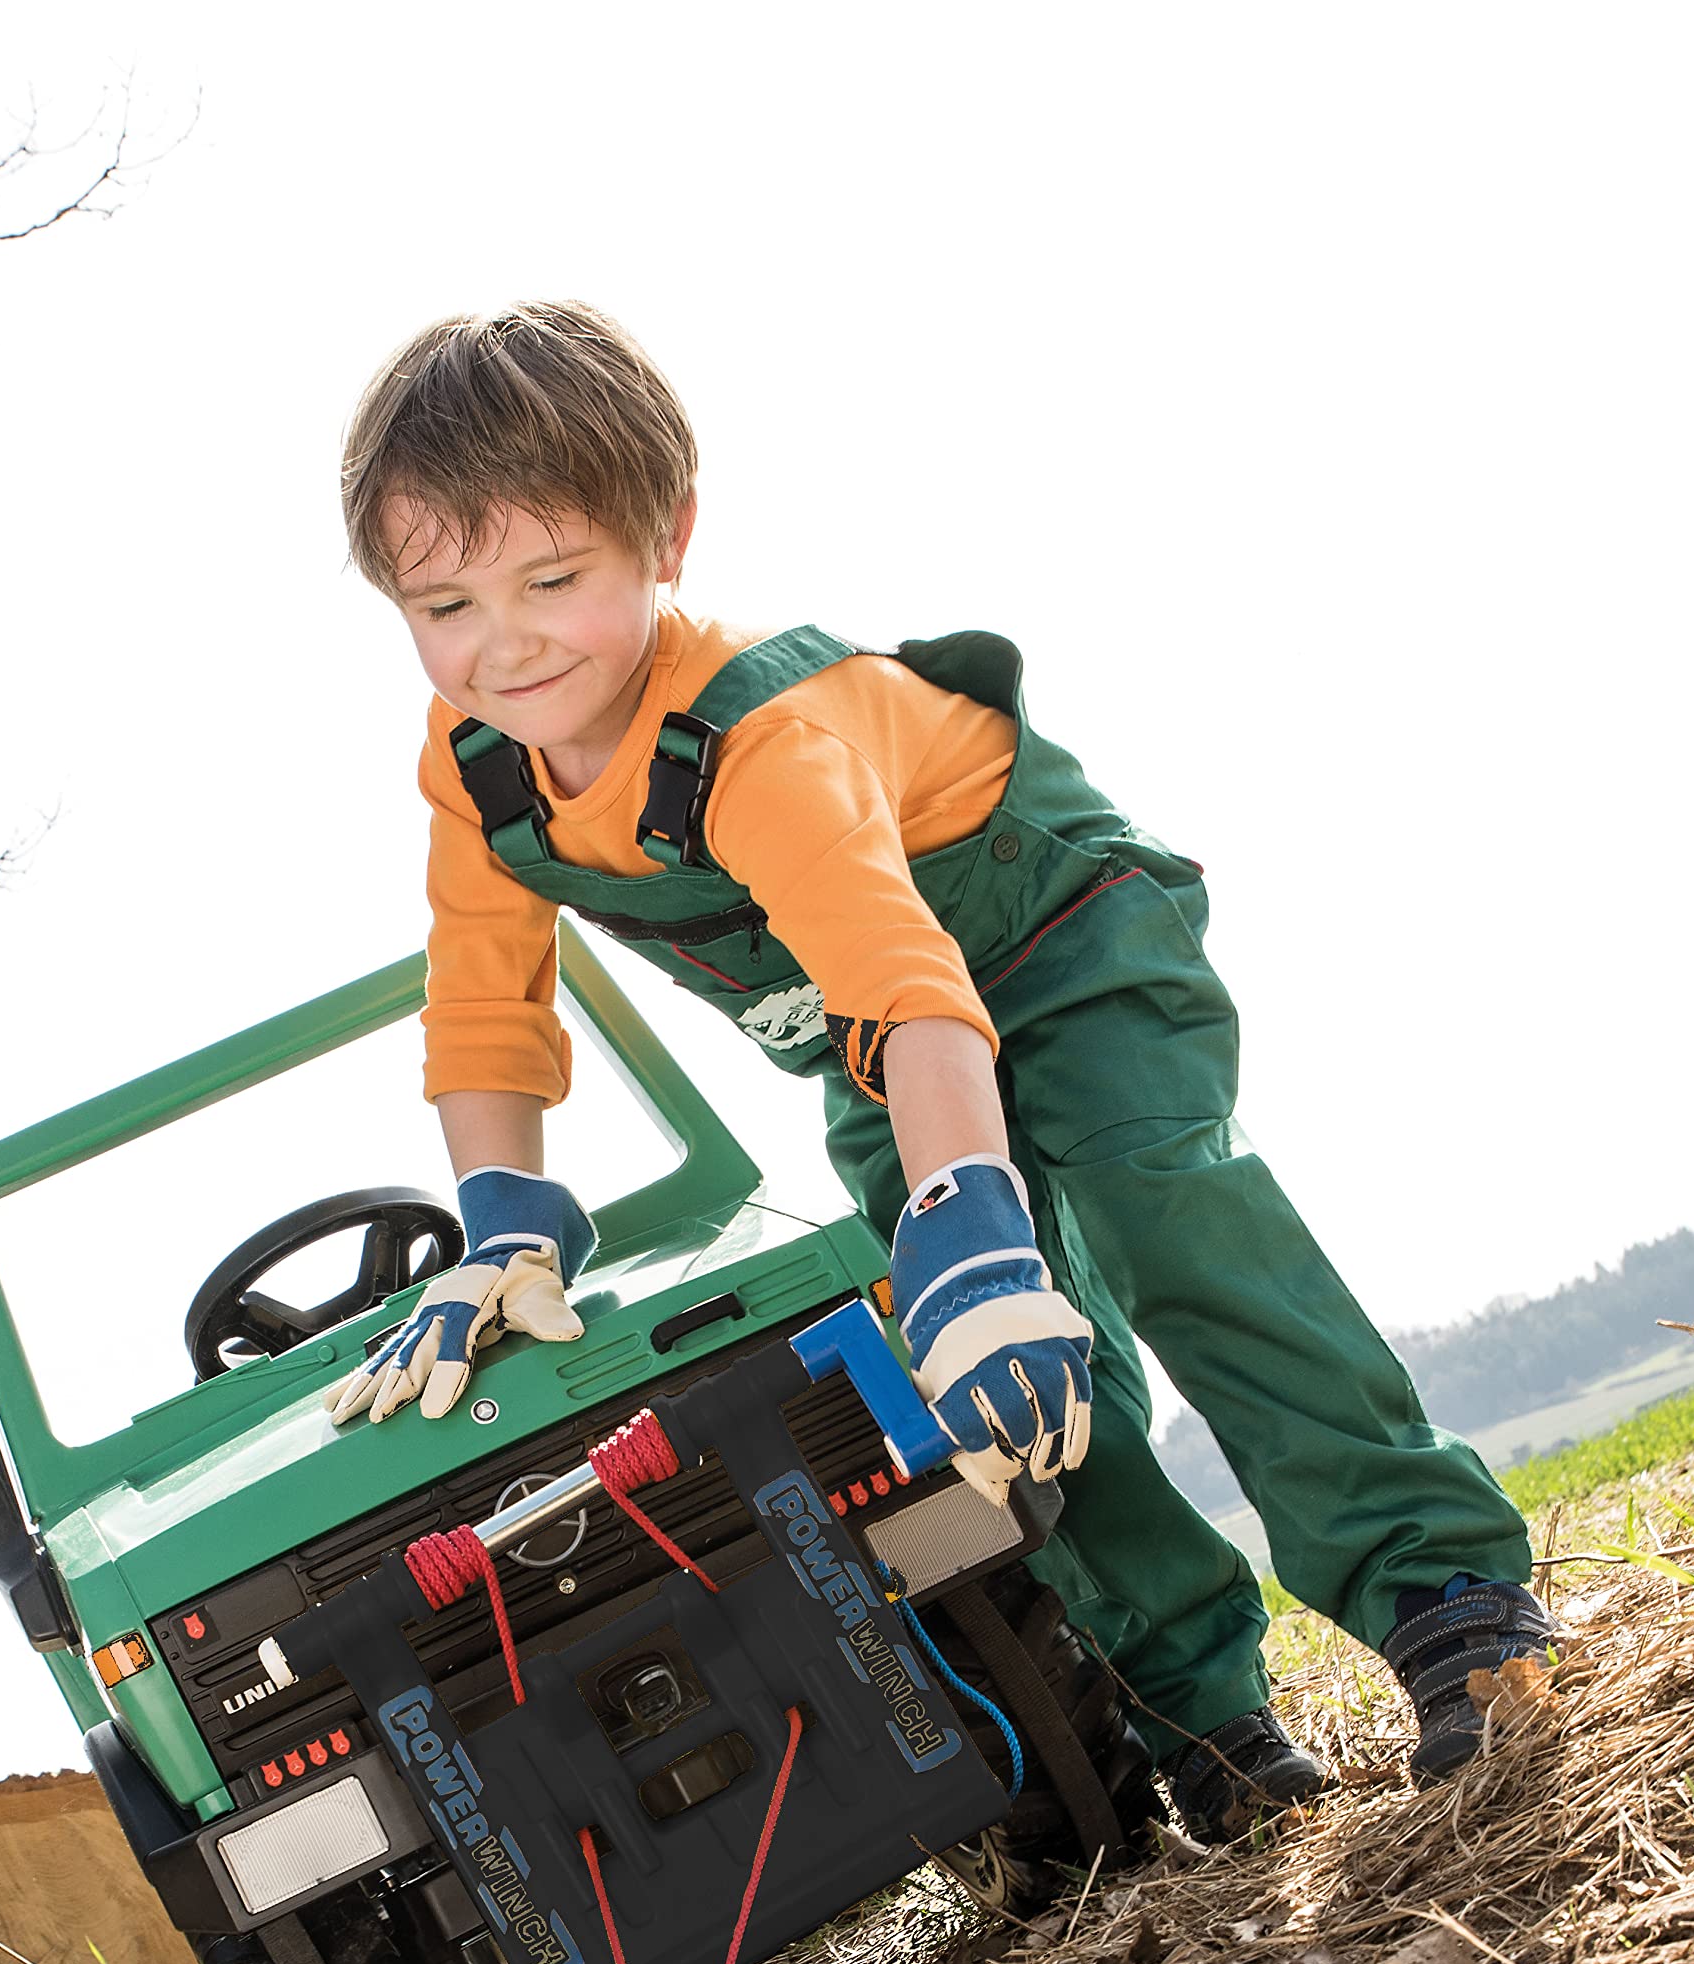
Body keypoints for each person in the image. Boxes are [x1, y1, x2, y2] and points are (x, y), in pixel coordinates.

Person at [321, 300, 1551, 1845]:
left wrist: (971, 1211)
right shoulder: (479, 770)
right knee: (995, 1370)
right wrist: (505, 1217)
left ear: (668, 540)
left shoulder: (759, 735)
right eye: (444, 605)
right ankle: (1205, 1712)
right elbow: (484, 1001)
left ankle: (1448, 1600)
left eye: (551, 582)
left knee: (1161, 1221)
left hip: (1057, 937)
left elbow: (915, 984)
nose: (500, 644)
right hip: (876, 1036)